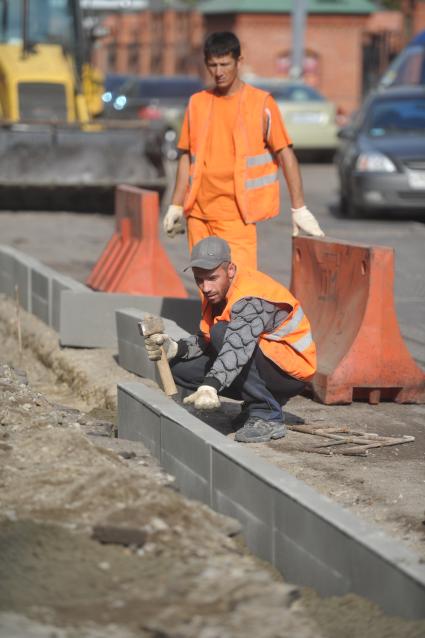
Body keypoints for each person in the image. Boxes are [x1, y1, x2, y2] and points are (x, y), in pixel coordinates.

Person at [163, 31, 324, 271]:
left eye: (225, 64)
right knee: (207, 289)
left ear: (239, 62)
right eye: (212, 65)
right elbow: (186, 155)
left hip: (237, 217)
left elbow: (286, 154)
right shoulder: (197, 103)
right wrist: (176, 204)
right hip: (198, 214)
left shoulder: (260, 104)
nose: (218, 72)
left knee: (239, 287)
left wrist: (299, 208)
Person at [144, 236, 317, 444]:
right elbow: (205, 340)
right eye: (199, 279)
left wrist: (210, 386)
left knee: (222, 334)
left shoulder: (251, 297)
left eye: (212, 278)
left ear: (231, 270)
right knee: (180, 367)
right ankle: (255, 403)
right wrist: (174, 348)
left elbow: (236, 347)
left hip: (290, 372)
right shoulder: (217, 294)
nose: (205, 287)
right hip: (261, 360)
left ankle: (267, 413)